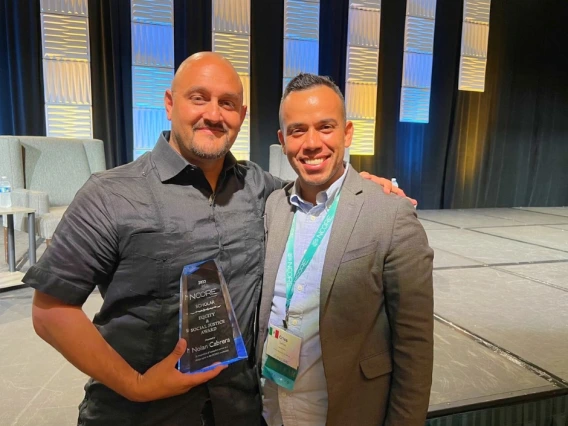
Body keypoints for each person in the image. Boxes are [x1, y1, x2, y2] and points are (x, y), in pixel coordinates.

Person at [25, 53, 402, 426]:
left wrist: (361, 185)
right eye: (198, 98)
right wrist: (137, 385)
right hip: (139, 413)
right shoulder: (111, 194)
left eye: (228, 103)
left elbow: (315, 186)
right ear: (170, 104)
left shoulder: (261, 189)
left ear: (242, 114)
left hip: (240, 410)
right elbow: (50, 311)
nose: (214, 114)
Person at [257, 73, 434, 426]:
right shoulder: (273, 206)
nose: (311, 143)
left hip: (346, 412)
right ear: (282, 140)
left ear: (347, 133)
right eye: (297, 130)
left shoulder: (390, 213)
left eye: (325, 127)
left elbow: (414, 347)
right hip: (271, 410)